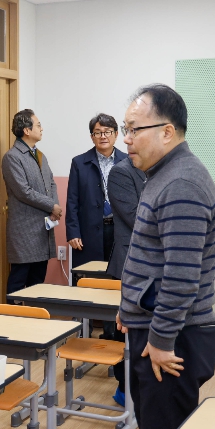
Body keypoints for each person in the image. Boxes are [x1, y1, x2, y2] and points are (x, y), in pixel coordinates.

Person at [116, 84, 215, 429]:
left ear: (167, 132)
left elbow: (181, 275)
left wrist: (160, 340)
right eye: (125, 129)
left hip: (172, 339)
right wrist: (129, 306)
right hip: (159, 328)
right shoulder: (162, 175)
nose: (126, 139)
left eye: (133, 129)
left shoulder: (181, 183)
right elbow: (152, 256)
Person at [66, 113, 126, 338]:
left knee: (115, 282)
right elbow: (72, 200)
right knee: (88, 282)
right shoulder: (79, 162)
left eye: (107, 132)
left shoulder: (128, 161)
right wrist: (73, 231)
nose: (103, 136)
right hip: (89, 231)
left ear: (116, 134)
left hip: (119, 231)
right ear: (92, 136)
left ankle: (112, 335)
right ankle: (84, 334)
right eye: (98, 132)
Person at [2, 109, 61, 295]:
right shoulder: (12, 157)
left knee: (38, 281)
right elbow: (23, 192)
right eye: (38, 125)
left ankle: (34, 313)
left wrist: (55, 206)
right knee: (18, 281)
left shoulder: (40, 155)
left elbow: (51, 183)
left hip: (42, 228)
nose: (41, 129)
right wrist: (51, 205)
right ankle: (13, 314)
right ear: (26, 130)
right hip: (24, 231)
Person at [106, 157, 146, 406]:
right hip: (130, 260)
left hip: (151, 263)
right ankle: (124, 388)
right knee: (127, 331)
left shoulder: (156, 169)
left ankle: (140, 389)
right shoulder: (121, 172)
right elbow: (135, 217)